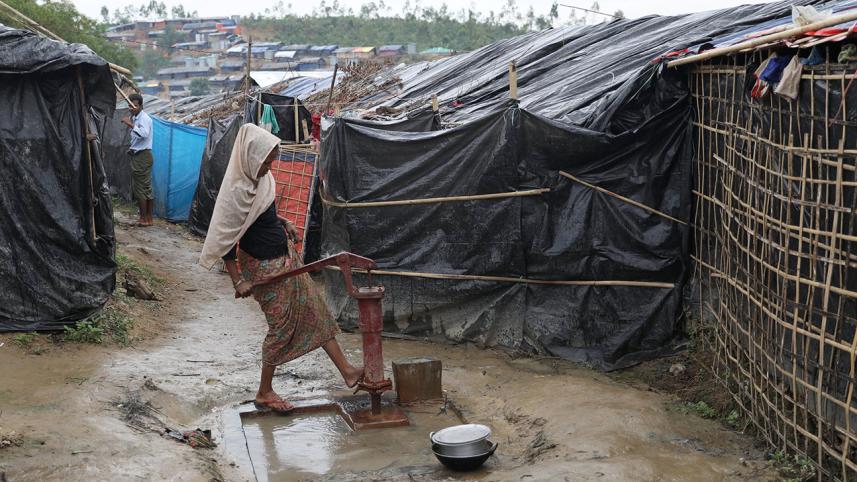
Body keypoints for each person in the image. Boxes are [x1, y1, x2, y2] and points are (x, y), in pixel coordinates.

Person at [199, 124, 363, 413]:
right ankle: (264, 391)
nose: (269, 166)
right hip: (263, 268)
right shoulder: (236, 191)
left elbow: (265, 213)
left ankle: (348, 371)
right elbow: (225, 239)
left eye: (272, 160)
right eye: (266, 161)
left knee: (315, 309)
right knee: (281, 327)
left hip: (285, 258)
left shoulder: (262, 181)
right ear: (251, 157)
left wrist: (283, 223)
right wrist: (238, 281)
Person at [121, 93, 154, 226]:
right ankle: (148, 218)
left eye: (134, 105)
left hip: (143, 157)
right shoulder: (136, 118)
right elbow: (138, 139)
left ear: (140, 105)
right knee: (146, 188)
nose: (131, 108)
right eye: (130, 105)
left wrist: (130, 125)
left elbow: (144, 134)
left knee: (141, 188)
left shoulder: (143, 118)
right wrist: (133, 149)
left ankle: (144, 219)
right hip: (139, 155)